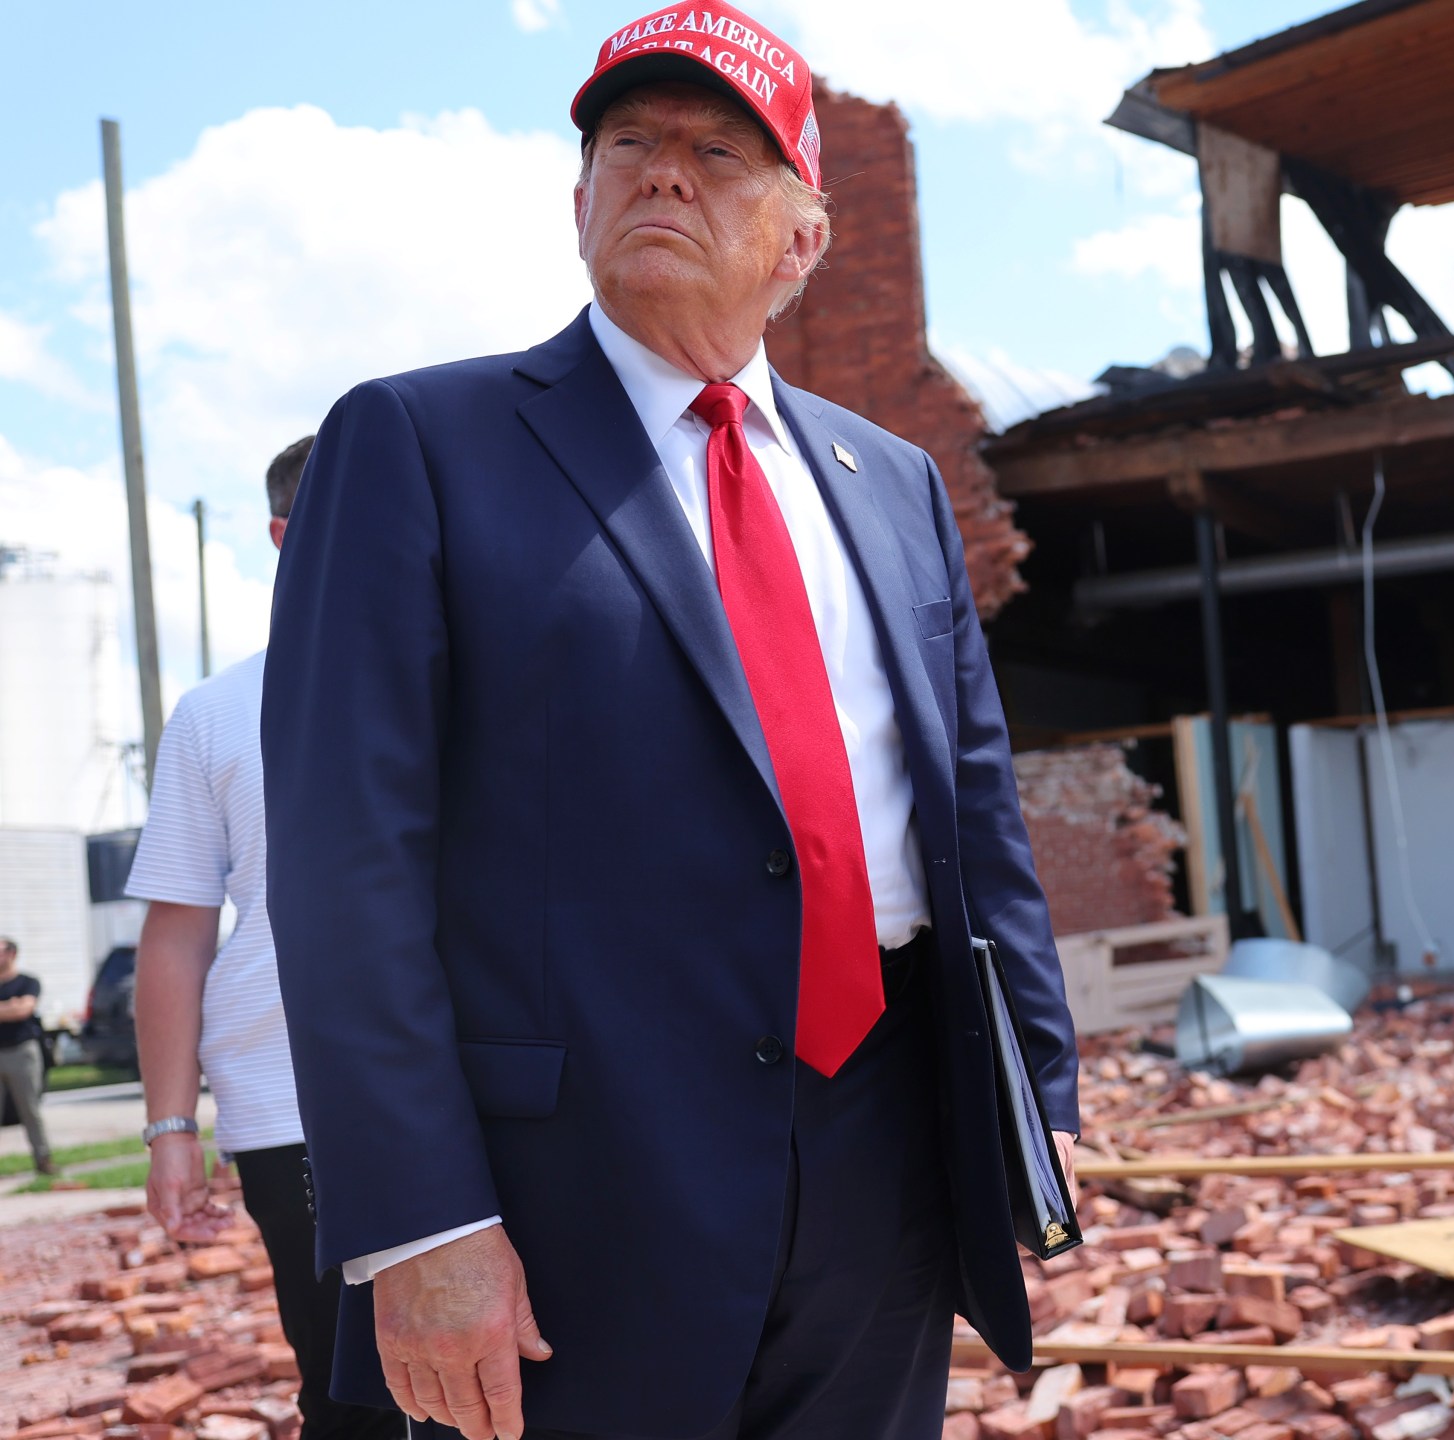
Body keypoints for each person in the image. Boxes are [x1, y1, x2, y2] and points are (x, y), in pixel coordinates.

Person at [261, 6, 1079, 1440]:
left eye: (716, 151)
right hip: (573, 1186)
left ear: (804, 239)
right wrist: (418, 1217)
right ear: (578, 201)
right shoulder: (416, 447)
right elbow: (345, 868)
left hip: (884, 1152)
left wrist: (1037, 1099)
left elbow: (969, 806)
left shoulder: (886, 481)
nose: (662, 174)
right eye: (627, 145)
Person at [124, 437, 401, 1440]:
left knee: (524, 1376)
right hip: (294, 1094)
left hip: (488, 1076)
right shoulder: (215, 713)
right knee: (351, 1393)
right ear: (287, 538)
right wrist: (169, 1131)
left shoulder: (489, 670)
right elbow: (177, 935)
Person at [0, 939, 50, 1176]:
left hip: (21, 1051)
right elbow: (14, 1009)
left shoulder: (27, 982)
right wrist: (8, 1007)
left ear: (12, 953)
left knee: (30, 1108)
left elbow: (24, 1009)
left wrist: (15, 1007)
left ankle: (43, 1159)